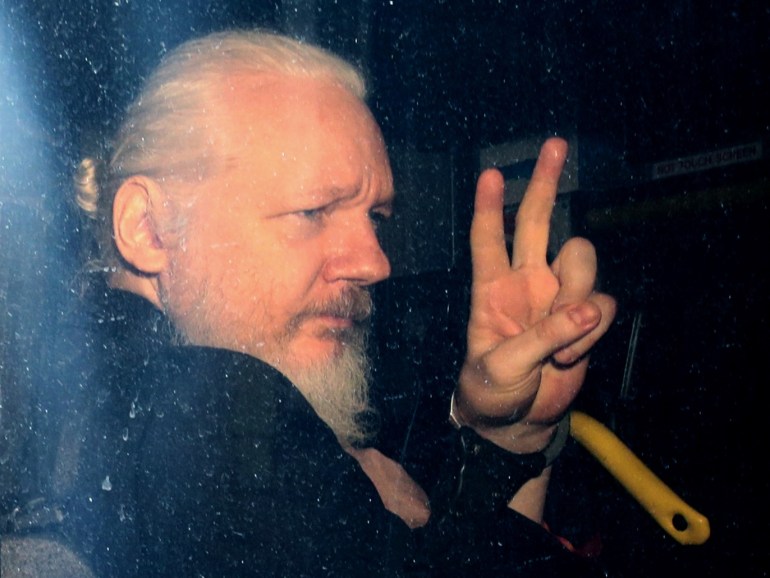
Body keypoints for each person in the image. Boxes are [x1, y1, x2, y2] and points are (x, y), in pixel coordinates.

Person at [59, 28, 616, 577]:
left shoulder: (88, 413)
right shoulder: (218, 409)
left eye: (374, 217)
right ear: (148, 228)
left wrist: (511, 435)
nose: (376, 264)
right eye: (313, 211)